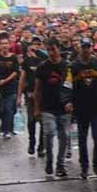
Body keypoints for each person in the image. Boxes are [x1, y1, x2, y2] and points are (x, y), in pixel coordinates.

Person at [68, 38, 97, 178]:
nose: (86, 49)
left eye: (88, 47)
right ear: (80, 48)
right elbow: (68, 86)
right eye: (83, 47)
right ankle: (84, 167)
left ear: (91, 48)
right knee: (82, 138)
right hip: (81, 108)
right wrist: (68, 101)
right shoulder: (73, 66)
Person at [33, 39, 73, 177]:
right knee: (49, 133)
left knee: (64, 136)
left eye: (53, 49)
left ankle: (60, 165)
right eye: (48, 50)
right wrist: (37, 108)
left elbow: (72, 87)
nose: (51, 53)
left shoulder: (68, 66)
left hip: (64, 107)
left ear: (59, 49)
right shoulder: (42, 67)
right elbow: (37, 89)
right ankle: (49, 161)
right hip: (47, 107)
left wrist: (72, 103)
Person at [17, 36, 46, 154]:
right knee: (31, 120)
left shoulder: (45, 60)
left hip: (43, 96)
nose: (36, 46)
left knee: (43, 121)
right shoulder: (27, 61)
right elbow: (22, 79)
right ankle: (32, 142)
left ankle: (41, 145)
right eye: (34, 44)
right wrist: (19, 97)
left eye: (38, 44)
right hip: (29, 95)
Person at [0, 37, 20, 139]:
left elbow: (16, 72)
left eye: (6, 43)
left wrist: (5, 81)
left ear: (9, 45)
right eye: (2, 44)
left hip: (11, 87)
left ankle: (7, 130)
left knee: (8, 109)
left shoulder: (13, 58)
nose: (5, 45)